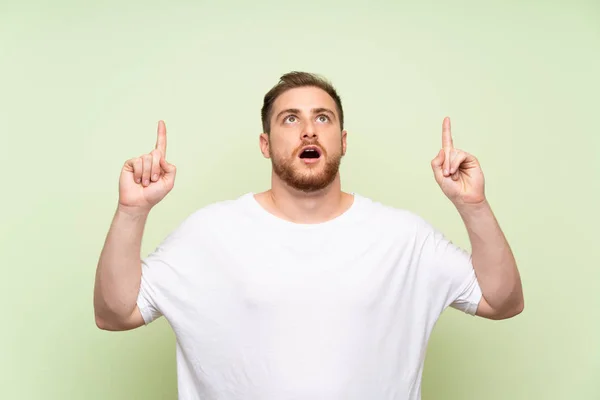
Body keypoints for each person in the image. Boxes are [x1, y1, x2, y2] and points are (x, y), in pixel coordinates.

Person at [93, 71, 524, 399]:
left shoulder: (402, 237)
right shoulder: (209, 234)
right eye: (290, 119)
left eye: (323, 117)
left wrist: (473, 205)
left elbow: (502, 301)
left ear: (342, 140)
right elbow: (115, 314)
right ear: (265, 144)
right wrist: (133, 211)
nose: (309, 129)